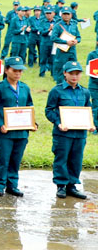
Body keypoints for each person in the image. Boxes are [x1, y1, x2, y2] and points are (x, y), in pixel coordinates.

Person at [0, 56, 35, 197]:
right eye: (15, 70)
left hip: (21, 132)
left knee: (16, 159)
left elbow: (29, 105)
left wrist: (32, 122)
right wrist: (0, 123)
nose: (18, 73)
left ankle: (12, 185)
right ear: (6, 70)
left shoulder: (24, 87)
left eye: (20, 71)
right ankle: (0, 185)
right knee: (3, 158)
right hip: (5, 132)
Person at [45, 60, 90, 199]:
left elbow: (88, 110)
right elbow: (49, 110)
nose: (74, 76)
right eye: (71, 73)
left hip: (80, 133)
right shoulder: (57, 91)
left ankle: (72, 185)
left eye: (77, 73)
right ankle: (61, 186)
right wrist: (58, 122)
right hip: (63, 133)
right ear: (65, 73)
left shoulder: (85, 92)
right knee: (62, 158)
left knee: (76, 159)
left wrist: (91, 123)